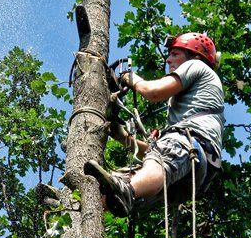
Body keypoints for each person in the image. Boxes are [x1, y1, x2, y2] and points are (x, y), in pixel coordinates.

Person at [84, 32, 224, 216]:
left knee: (142, 172)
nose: (168, 60)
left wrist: (128, 77)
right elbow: (154, 153)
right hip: (194, 173)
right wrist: (122, 136)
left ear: (196, 56)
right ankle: (76, 203)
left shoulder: (196, 65)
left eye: (175, 54)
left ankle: (126, 190)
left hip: (191, 146)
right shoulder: (190, 107)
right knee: (112, 183)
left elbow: (153, 92)